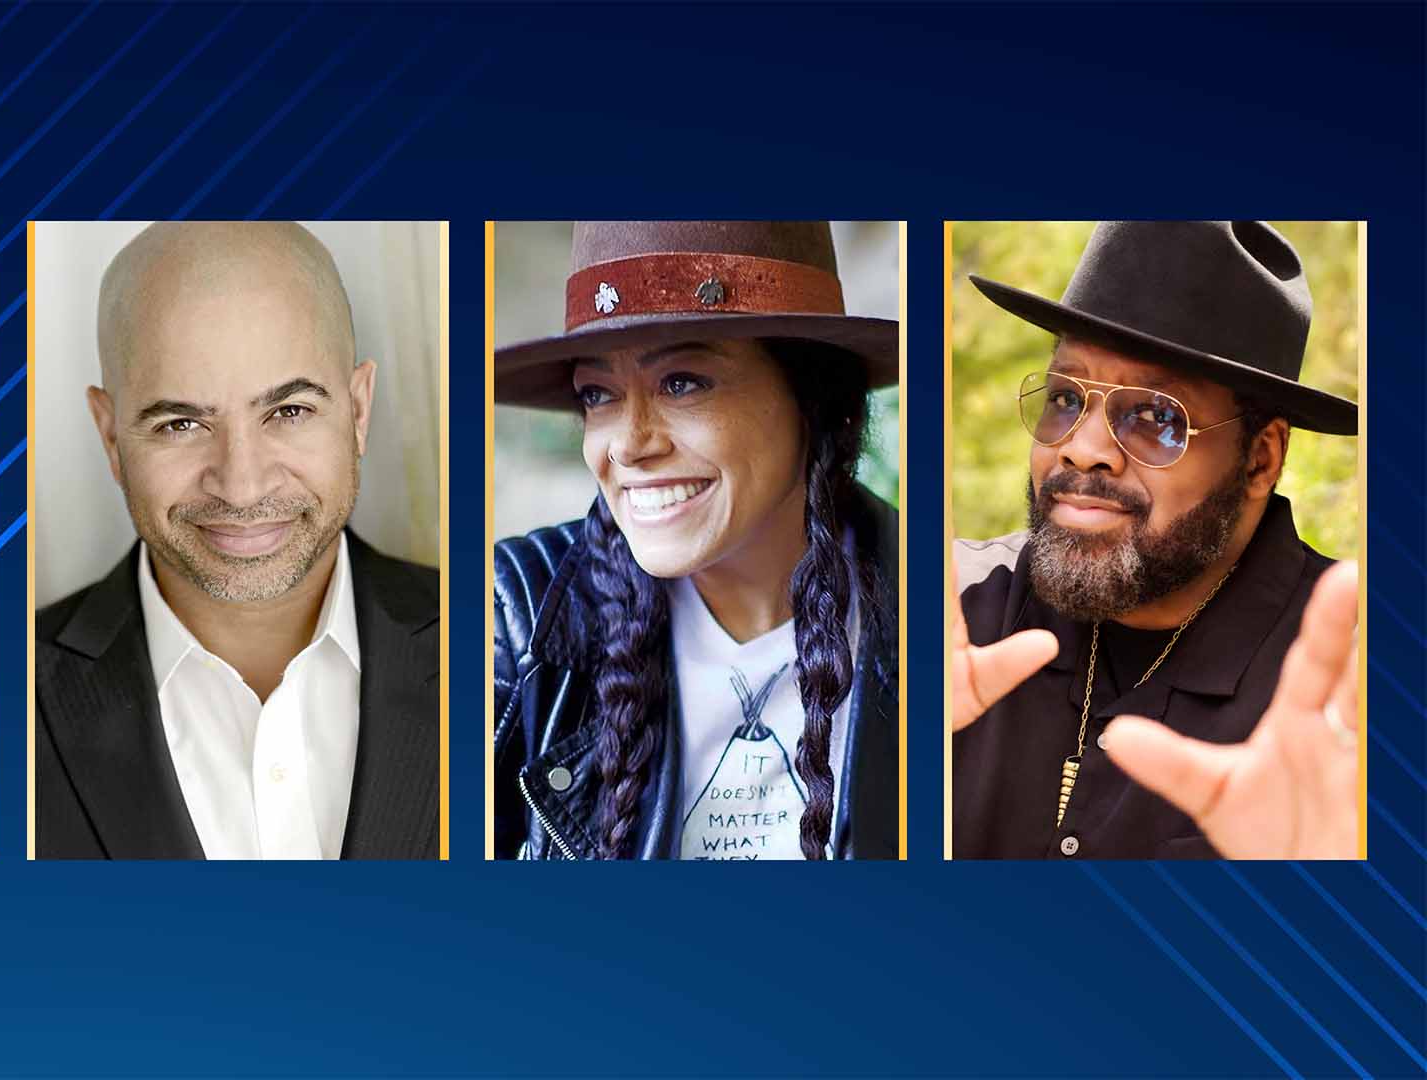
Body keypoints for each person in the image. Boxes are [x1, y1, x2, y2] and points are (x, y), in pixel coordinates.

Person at [951, 220, 1361, 859]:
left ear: (1260, 458)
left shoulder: (1352, 687)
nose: (1082, 450)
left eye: (1155, 417)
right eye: (1065, 397)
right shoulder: (948, 609)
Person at [492, 221, 901, 860]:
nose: (628, 444)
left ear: (816, 398)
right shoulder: (515, 619)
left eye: (682, 382)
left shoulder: (937, 611)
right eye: (597, 395)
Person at [34, 221, 439, 861]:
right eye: (181, 423)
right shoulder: (2, 696)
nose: (243, 486)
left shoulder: (492, 652)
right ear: (111, 438)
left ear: (359, 411)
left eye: (289, 412)